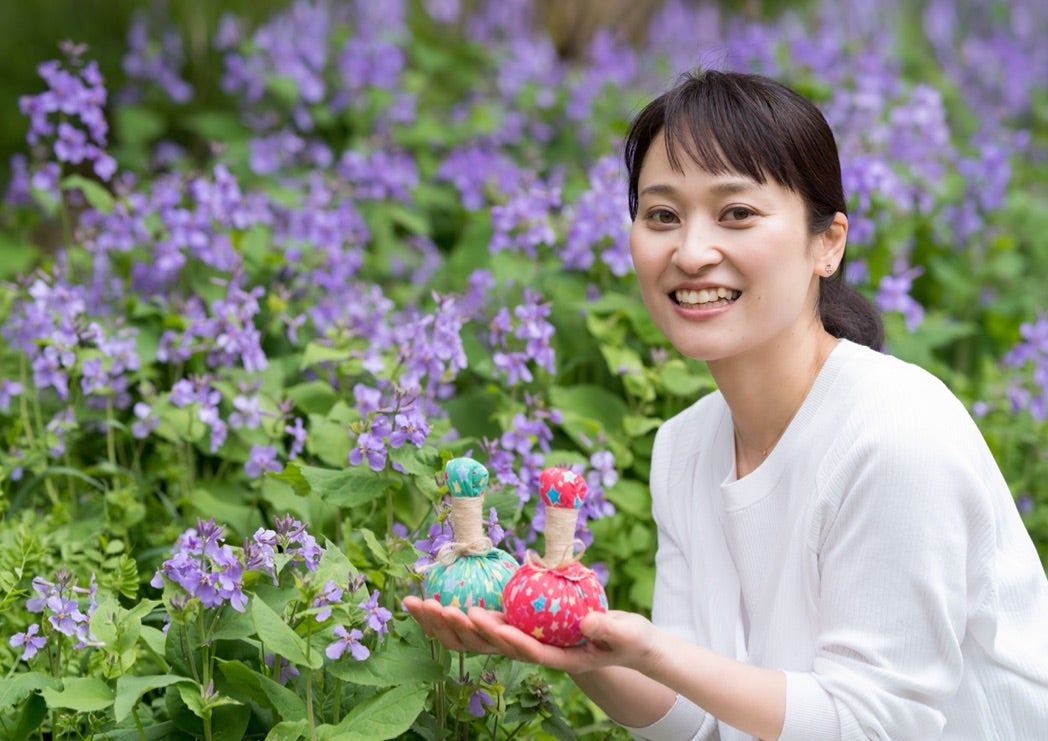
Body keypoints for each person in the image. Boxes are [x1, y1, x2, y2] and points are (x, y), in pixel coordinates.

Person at [403, 69, 1048, 740]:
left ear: (828, 242)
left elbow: (873, 726)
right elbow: (703, 722)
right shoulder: (685, 446)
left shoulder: (894, 434)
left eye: (736, 213)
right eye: (662, 216)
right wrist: (577, 645)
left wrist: (656, 650)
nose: (690, 253)